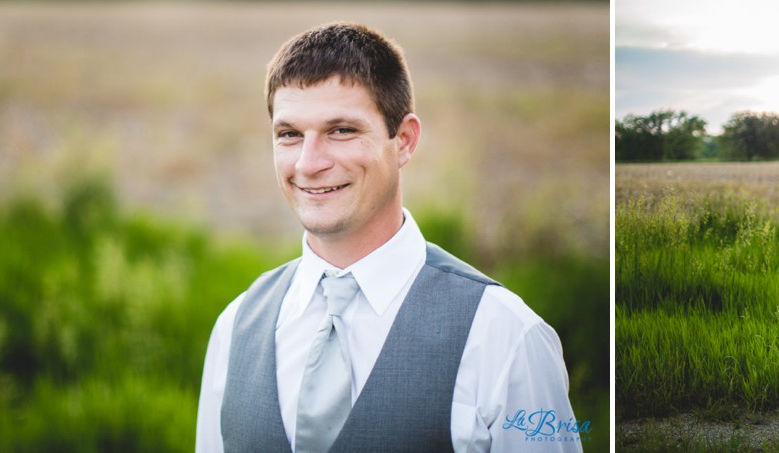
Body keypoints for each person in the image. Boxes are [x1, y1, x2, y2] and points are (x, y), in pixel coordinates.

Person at [195, 22, 582, 452]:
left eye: (341, 130)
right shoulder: (235, 327)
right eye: (289, 135)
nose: (308, 163)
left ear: (404, 141)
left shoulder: (506, 337)